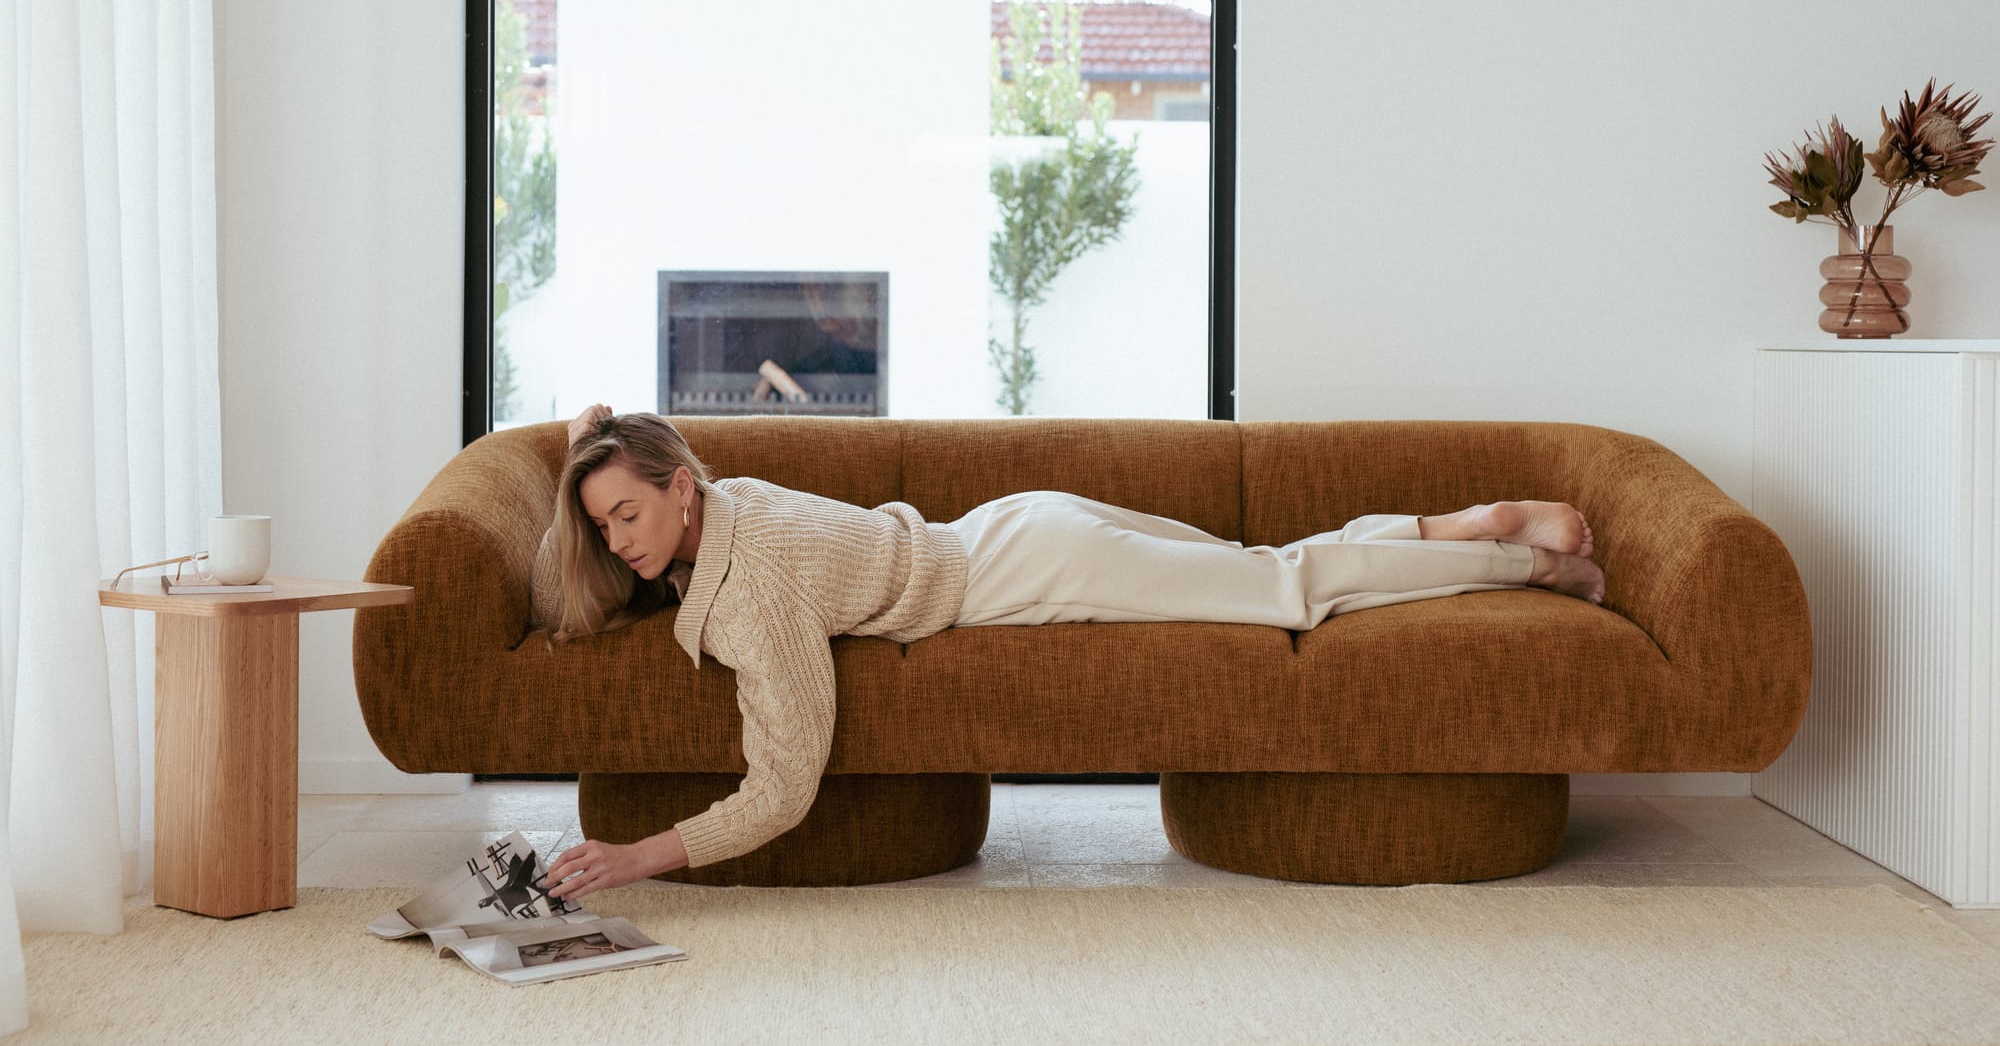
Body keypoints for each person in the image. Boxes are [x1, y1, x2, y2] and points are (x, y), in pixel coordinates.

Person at [545, 406, 1604, 900]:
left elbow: (783, 781)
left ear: (678, 489)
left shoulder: (749, 589)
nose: (615, 540)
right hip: (1015, 522)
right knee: (1262, 562)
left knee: (1285, 589)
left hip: (1026, 574)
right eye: (601, 526)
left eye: (625, 511)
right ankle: (1457, 526)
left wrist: (639, 853)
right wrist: (589, 451)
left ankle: (1522, 565)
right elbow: (598, 539)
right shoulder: (729, 498)